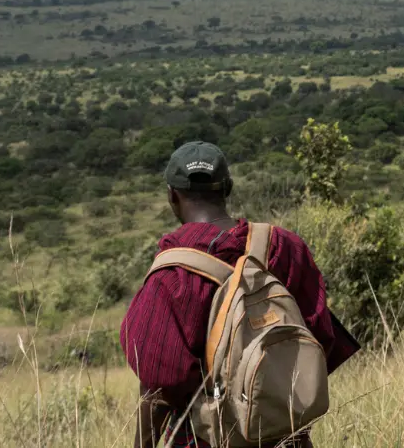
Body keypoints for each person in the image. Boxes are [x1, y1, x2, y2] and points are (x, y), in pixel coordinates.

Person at [120, 142, 360, 448]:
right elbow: (320, 339)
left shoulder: (170, 274)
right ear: (227, 189)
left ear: (172, 195)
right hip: (285, 434)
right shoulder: (283, 247)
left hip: (204, 439)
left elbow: (158, 384)